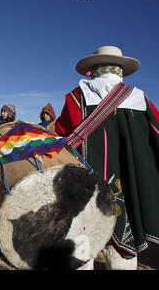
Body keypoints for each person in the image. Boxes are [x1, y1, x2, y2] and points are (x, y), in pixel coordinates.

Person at [55, 45, 159, 270]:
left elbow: (61, 134)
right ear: (120, 70)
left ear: (94, 68)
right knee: (123, 251)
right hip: (128, 190)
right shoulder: (140, 98)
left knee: (81, 248)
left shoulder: (76, 97)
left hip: (84, 190)